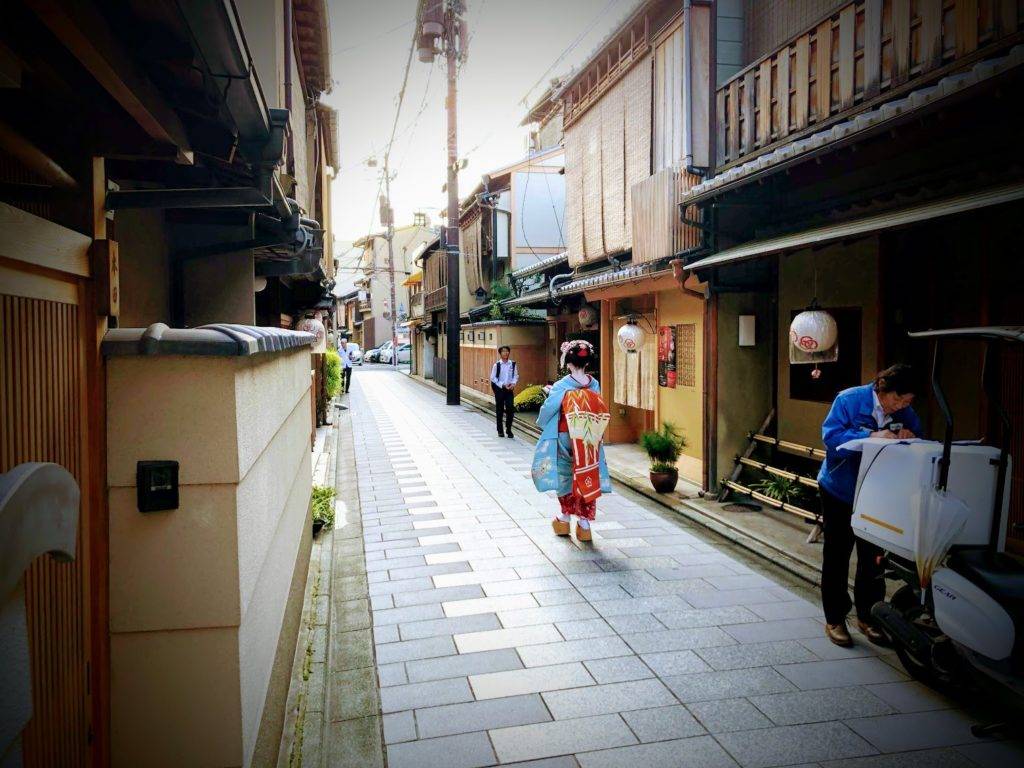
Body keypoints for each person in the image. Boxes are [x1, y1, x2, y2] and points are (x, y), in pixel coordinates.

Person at [817, 363, 922, 647]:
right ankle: (835, 618)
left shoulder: (903, 410)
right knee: (837, 555)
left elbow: (916, 433)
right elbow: (831, 437)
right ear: (882, 388)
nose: (900, 406)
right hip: (840, 489)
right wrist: (870, 436)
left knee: (872, 557)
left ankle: (870, 616)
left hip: (877, 493)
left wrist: (908, 436)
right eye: (897, 399)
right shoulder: (849, 400)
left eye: (907, 402)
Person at [531, 340, 611, 542]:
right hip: (588, 438)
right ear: (587, 363)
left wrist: (543, 415)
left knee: (565, 474)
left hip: (564, 436)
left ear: (568, 362)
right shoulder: (594, 385)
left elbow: (548, 410)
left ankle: (564, 518)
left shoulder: (561, 385)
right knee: (587, 472)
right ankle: (584, 523)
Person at [490, 345, 519, 438]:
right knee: (500, 410)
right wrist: (502, 384)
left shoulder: (513, 364)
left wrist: (513, 383)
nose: (505, 353)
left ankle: (509, 429)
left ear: (509, 352)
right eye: (503, 351)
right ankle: (500, 430)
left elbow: (516, 375)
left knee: (510, 409)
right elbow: (493, 378)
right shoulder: (497, 365)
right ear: (500, 353)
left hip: (509, 389)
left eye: (507, 351)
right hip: (500, 389)